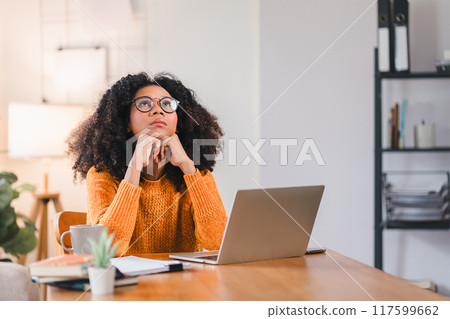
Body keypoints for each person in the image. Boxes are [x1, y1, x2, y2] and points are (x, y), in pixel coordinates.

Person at [67, 72, 228, 255]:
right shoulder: (101, 176)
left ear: (179, 121)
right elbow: (105, 250)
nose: (158, 110)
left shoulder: (197, 174)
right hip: (128, 282)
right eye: (144, 103)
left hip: (183, 281)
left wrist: (187, 166)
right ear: (126, 122)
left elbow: (217, 242)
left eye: (167, 104)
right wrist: (134, 166)